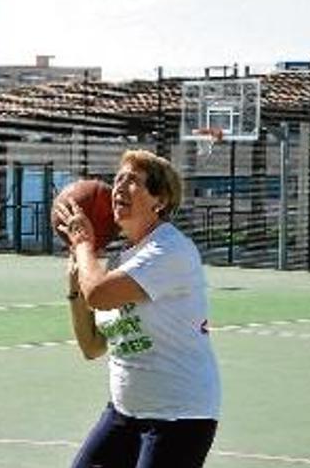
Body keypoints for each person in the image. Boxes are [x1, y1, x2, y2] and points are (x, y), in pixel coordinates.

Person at [54, 149, 220, 468]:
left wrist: (84, 244)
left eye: (133, 181)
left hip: (178, 417)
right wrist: (75, 287)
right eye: (118, 179)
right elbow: (92, 346)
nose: (119, 187)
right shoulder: (120, 261)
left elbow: (99, 294)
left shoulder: (169, 250)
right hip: (124, 414)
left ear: (160, 200)